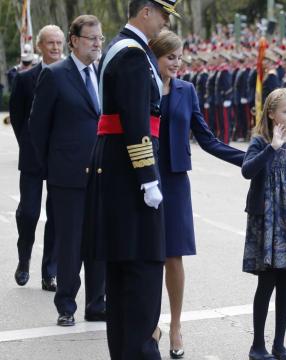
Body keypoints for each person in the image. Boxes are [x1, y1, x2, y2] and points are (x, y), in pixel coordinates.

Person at [83, 1, 179, 358]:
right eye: (163, 14)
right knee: (142, 274)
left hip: (117, 172)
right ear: (146, 12)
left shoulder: (121, 49)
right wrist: (148, 178)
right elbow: (138, 122)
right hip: (130, 177)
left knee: (123, 274)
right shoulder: (133, 55)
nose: (165, 22)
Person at [148, 30, 245, 359]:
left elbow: (207, 139)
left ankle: (175, 325)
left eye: (179, 57)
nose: (176, 63)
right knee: (146, 255)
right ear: (155, 56)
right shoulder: (139, 85)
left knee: (173, 256)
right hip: (142, 175)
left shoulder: (187, 90)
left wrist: (250, 159)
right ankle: (150, 323)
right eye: (170, 57)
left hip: (174, 180)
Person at [29, 15, 106, 327]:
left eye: (100, 38)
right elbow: (37, 127)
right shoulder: (55, 75)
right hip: (67, 176)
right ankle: (66, 305)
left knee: (99, 242)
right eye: (91, 38)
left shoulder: (105, 74)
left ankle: (97, 302)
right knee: (71, 243)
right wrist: (52, 167)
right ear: (74, 41)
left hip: (102, 173)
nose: (97, 44)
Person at [241, 88, 286, 360]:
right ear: (271, 114)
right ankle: (258, 345)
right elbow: (247, 171)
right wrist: (272, 148)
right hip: (267, 222)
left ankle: (280, 344)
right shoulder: (260, 142)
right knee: (266, 283)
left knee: (285, 284)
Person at [9, 25, 64, 292]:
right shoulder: (25, 78)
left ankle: (49, 272)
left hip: (60, 158)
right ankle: (24, 257)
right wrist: (30, 147)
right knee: (29, 213)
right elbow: (18, 119)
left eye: (59, 43)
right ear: (40, 46)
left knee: (56, 215)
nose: (55, 48)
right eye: (50, 43)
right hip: (32, 157)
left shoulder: (70, 77)